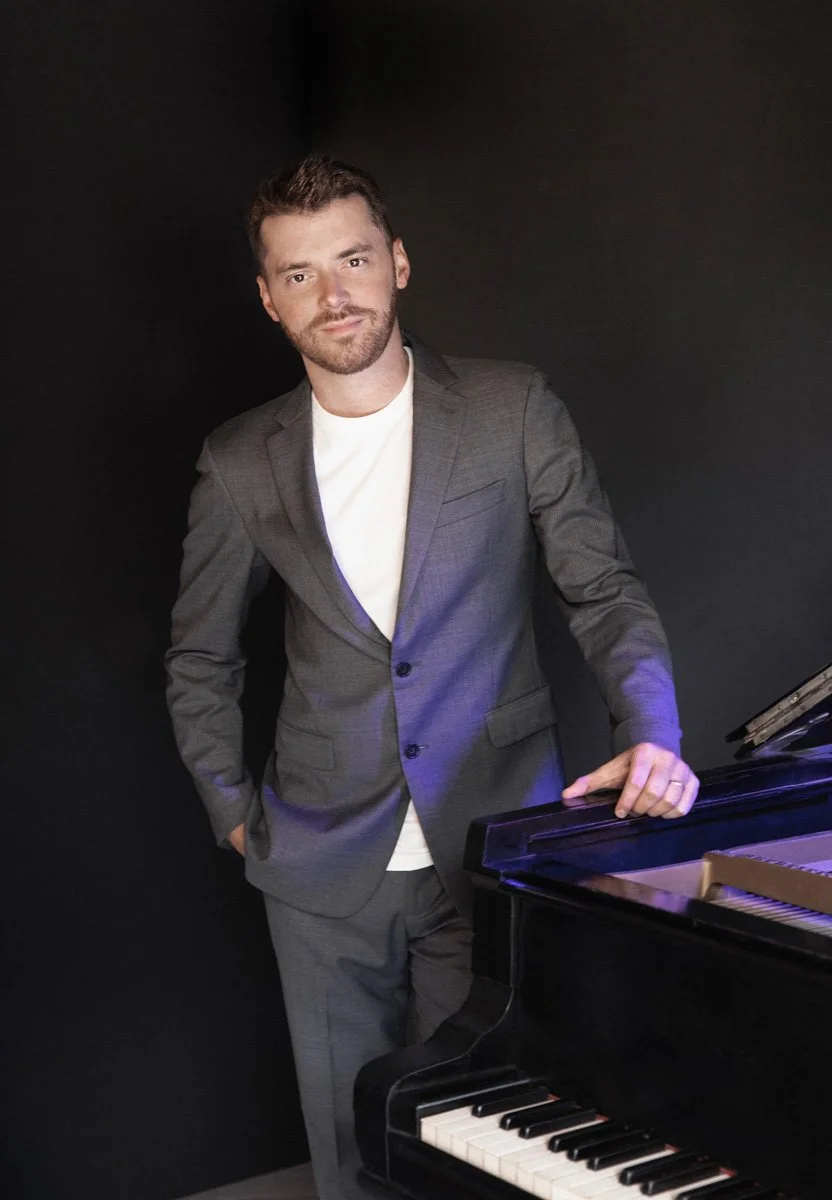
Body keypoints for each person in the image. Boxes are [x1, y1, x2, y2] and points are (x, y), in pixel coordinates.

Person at [165, 154, 698, 1200]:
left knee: (483, 1145)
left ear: (398, 262)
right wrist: (232, 810)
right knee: (348, 1151)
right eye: (301, 273)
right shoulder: (237, 459)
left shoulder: (512, 408)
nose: (334, 293)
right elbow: (200, 654)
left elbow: (603, 590)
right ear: (269, 298)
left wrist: (653, 730)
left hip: (491, 839)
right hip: (316, 863)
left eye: (354, 259)